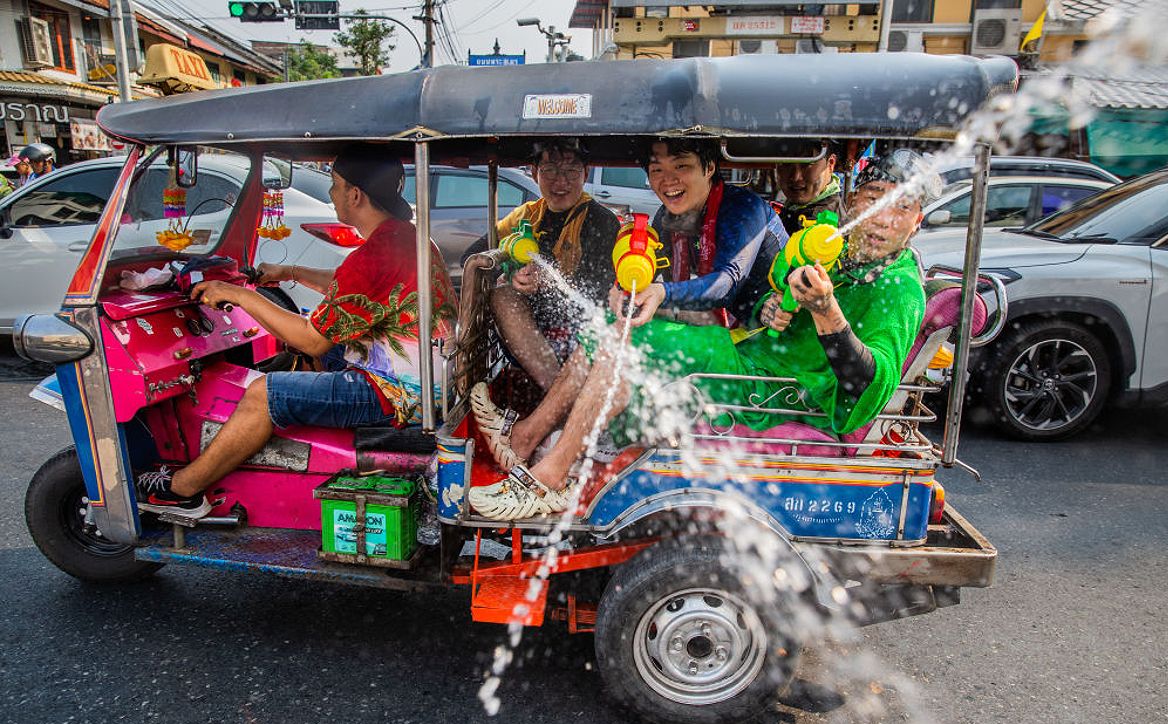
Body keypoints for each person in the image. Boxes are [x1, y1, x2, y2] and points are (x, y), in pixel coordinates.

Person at [465, 149, 939, 520]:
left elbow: (868, 387)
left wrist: (828, 313)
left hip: (776, 391)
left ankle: (549, 474)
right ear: (853, 200)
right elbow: (768, 294)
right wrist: (777, 306)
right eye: (873, 198)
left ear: (917, 220)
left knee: (627, 342)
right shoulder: (841, 252)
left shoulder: (899, 288)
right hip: (751, 354)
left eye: (902, 207)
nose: (882, 217)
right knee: (616, 329)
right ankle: (529, 438)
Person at [135, 145, 457, 518]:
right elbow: (348, 286)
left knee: (262, 393)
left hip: (399, 393)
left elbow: (310, 337)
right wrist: (289, 273)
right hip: (428, 379)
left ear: (355, 194)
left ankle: (183, 492)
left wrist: (238, 295)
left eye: (335, 185)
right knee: (319, 351)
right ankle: (286, 434)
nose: (331, 194)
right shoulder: (405, 237)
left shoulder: (374, 256)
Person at [460, 139, 619, 391]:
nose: (561, 181)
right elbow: (471, 257)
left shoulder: (602, 221)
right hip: (525, 340)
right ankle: (556, 393)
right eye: (550, 170)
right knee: (503, 296)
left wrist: (547, 283)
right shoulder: (525, 215)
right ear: (534, 173)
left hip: (581, 338)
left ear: (585, 174)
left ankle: (556, 399)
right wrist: (508, 272)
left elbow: (597, 295)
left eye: (571, 171)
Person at [627, 138, 788, 328]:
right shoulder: (666, 216)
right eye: (657, 170)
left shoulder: (743, 208)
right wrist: (626, 290)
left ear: (709, 167)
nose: (668, 180)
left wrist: (663, 293)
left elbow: (724, 285)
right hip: (731, 326)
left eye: (681, 166)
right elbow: (652, 271)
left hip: (776, 330)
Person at [774, 139, 844, 235]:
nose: (796, 177)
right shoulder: (794, 210)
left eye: (806, 164)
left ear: (831, 164)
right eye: (786, 163)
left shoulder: (823, 225)